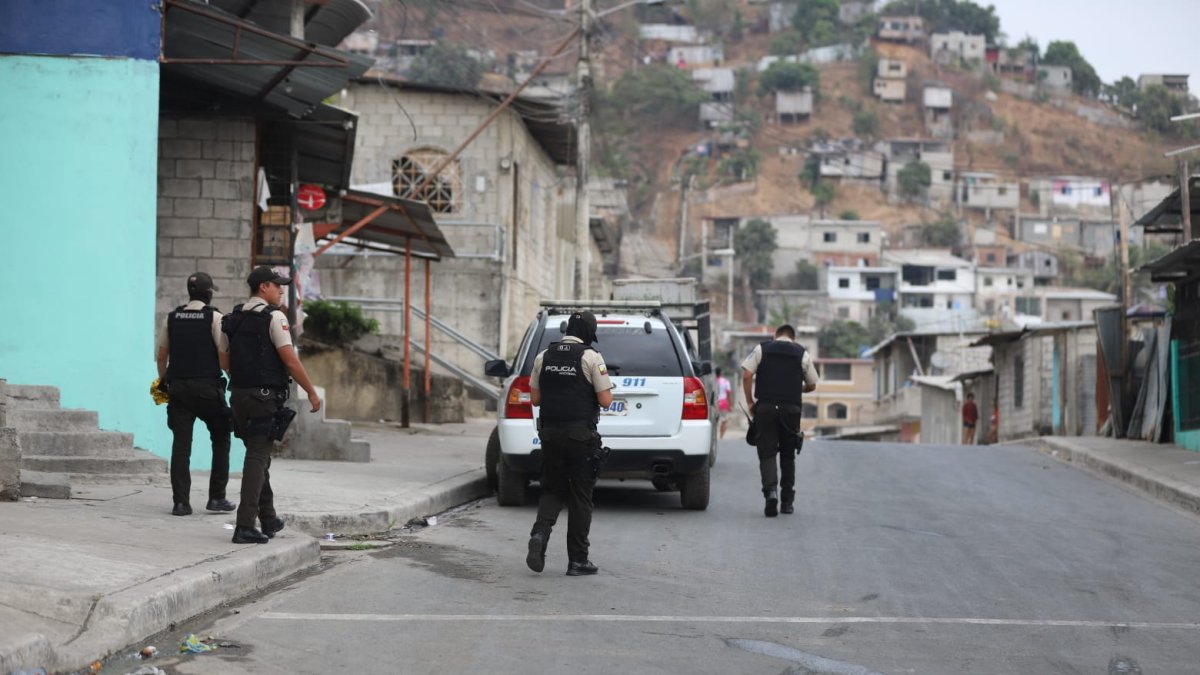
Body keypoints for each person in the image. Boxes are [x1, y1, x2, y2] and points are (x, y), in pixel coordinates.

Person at [222, 266, 322, 544]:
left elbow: (224, 362)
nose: (281, 290)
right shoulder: (275, 317)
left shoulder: (232, 319)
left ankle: (268, 518)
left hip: (239, 396)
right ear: (263, 287)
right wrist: (312, 393)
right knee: (257, 457)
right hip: (263, 398)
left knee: (259, 455)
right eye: (277, 286)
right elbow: (290, 360)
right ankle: (244, 525)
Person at [525, 311, 614, 576]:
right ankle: (577, 560)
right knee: (580, 495)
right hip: (580, 437)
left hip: (550, 434)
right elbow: (606, 401)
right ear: (588, 333)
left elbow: (536, 399)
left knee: (553, 489)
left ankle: (539, 535)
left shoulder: (544, 356)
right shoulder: (591, 357)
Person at [155, 272, 236, 517]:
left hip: (178, 388)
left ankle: (181, 503)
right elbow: (223, 359)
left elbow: (161, 356)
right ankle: (217, 497)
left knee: (181, 446)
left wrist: (163, 381)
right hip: (207, 389)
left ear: (189, 292)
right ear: (209, 293)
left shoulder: (172, 317)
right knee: (221, 438)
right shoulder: (214, 317)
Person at [741, 324, 819, 517]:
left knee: (767, 453)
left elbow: (746, 375)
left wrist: (750, 402)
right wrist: (794, 388)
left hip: (766, 408)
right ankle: (787, 502)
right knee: (787, 454)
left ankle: (771, 494)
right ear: (793, 337)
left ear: (775, 336)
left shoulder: (762, 349)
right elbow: (812, 385)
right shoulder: (803, 354)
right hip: (791, 410)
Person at [714, 368, 733, 439]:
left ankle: (714, 435)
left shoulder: (713, 381)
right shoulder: (725, 381)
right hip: (723, 402)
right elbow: (728, 393)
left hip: (715, 403)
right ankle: (721, 437)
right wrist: (730, 405)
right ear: (721, 373)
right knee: (724, 420)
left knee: (714, 420)